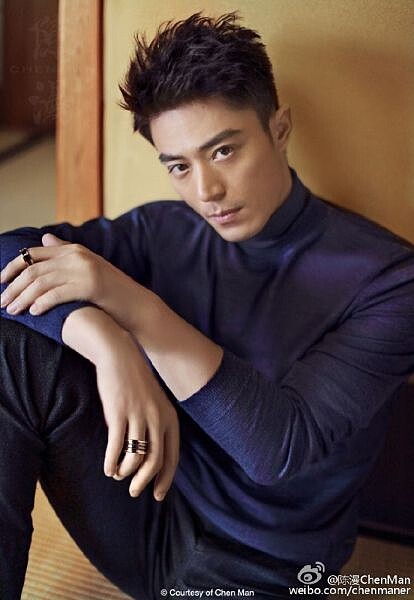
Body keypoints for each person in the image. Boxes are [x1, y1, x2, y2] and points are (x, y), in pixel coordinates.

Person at [1, 11, 413, 600]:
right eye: (179, 166)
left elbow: (277, 450)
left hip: (265, 567)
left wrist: (133, 307)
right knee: (13, 348)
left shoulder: (390, 280)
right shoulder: (164, 230)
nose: (206, 191)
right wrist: (109, 345)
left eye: (223, 151)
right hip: (145, 503)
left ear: (279, 129)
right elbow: (7, 254)